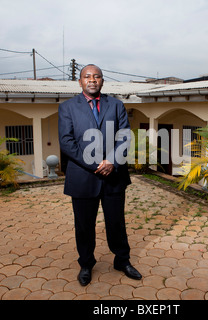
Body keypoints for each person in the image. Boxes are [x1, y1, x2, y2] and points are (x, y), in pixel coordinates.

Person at [58, 64, 142, 286]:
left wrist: (112, 162)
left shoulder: (116, 105)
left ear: (102, 81)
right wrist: (97, 164)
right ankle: (86, 264)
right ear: (80, 82)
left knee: (117, 223)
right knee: (84, 225)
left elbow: (124, 136)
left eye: (96, 76)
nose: (92, 80)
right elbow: (67, 142)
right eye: (87, 76)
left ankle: (122, 260)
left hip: (113, 176)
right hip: (83, 177)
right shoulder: (67, 108)